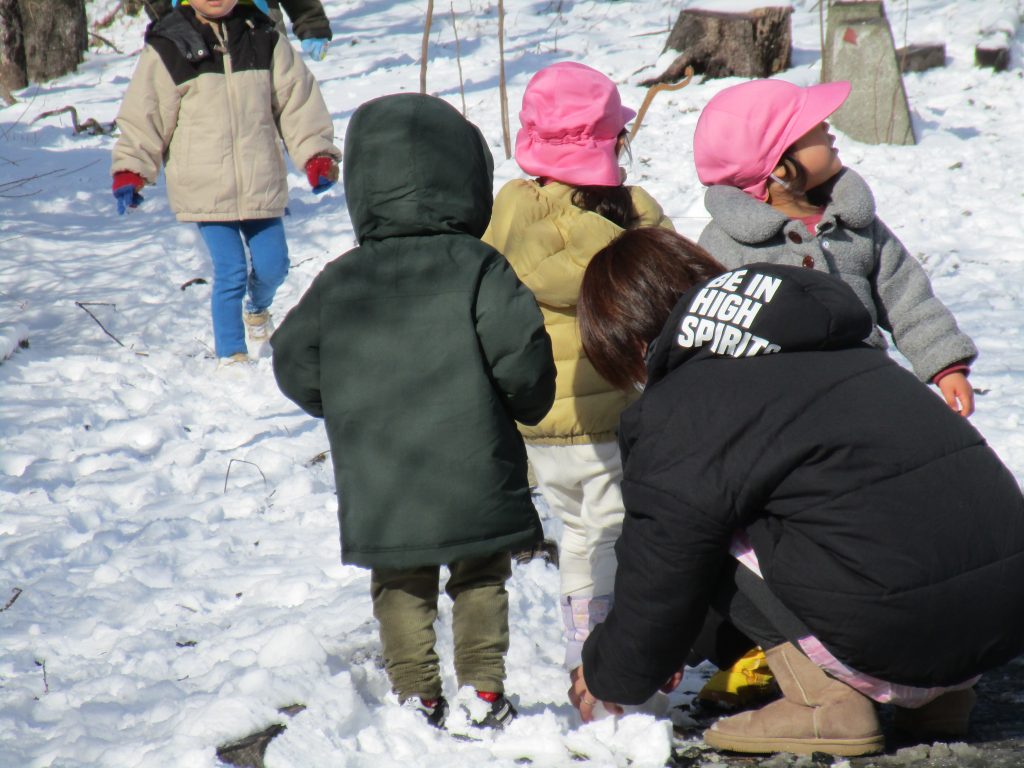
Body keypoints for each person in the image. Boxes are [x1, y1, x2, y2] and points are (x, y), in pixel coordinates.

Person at [570, 227, 1024, 756]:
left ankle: (825, 703)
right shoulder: (848, 353)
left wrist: (611, 671)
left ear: (633, 342)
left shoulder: (687, 406)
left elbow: (663, 565)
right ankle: (941, 698)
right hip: (999, 615)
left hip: (894, 630)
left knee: (701, 530)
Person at [270, 93, 556, 730]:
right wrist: (526, 405)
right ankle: (483, 691)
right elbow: (520, 351)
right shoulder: (479, 266)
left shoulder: (344, 279)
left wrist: (344, 404)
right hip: (474, 459)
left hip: (384, 467)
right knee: (480, 571)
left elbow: (292, 360)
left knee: (399, 577)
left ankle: (416, 694)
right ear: (467, 176)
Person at [481, 61, 686, 691]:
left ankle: (585, 655)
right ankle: (620, 663)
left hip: (544, 416)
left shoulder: (512, 210)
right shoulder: (630, 211)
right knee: (627, 538)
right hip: (618, 412)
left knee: (581, 533)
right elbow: (677, 288)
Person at [693, 78, 977, 417]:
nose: (827, 127)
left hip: (865, 391)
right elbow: (709, 332)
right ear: (778, 166)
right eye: (812, 126)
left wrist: (945, 364)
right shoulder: (727, 243)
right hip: (778, 409)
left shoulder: (856, 225)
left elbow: (907, 297)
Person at [110, 0, 340, 367]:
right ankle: (232, 354)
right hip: (205, 185)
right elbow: (146, 114)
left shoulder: (264, 36)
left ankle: (257, 309)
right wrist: (131, 169)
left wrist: (317, 155)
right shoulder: (170, 44)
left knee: (274, 265)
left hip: (260, 179)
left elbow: (297, 101)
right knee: (231, 270)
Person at [144, 0, 334, 61]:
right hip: (192, 20)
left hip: (261, 17)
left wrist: (311, 23)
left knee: (275, 87)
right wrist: (167, 19)